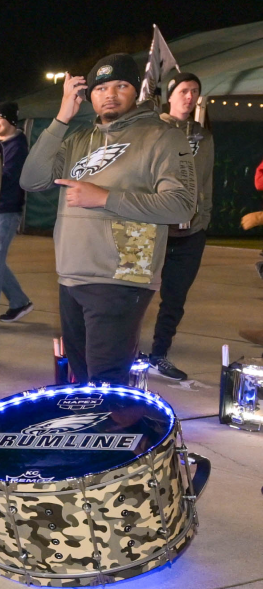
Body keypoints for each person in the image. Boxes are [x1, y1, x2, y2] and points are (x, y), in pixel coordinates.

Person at [21, 54, 195, 385]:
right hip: (72, 275)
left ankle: (120, 433)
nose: (110, 94)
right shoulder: (77, 139)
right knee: (84, 375)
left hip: (120, 278)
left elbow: (182, 205)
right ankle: (94, 431)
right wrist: (61, 119)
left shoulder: (162, 136)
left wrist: (105, 198)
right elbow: (31, 180)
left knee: (106, 380)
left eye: (121, 85)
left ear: (137, 92)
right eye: (100, 87)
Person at [148, 72, 214, 381]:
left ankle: (159, 354)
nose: (190, 96)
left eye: (195, 91)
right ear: (170, 95)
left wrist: (204, 219)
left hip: (190, 233)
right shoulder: (153, 128)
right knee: (134, 292)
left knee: (174, 298)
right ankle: (123, 350)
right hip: (155, 229)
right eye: (184, 90)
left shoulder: (203, 134)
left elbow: (206, 180)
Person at [0, 101, 33, 323]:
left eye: (0, 117)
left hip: (6, 211)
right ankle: (19, 302)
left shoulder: (17, 146)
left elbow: (4, 178)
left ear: (11, 120)